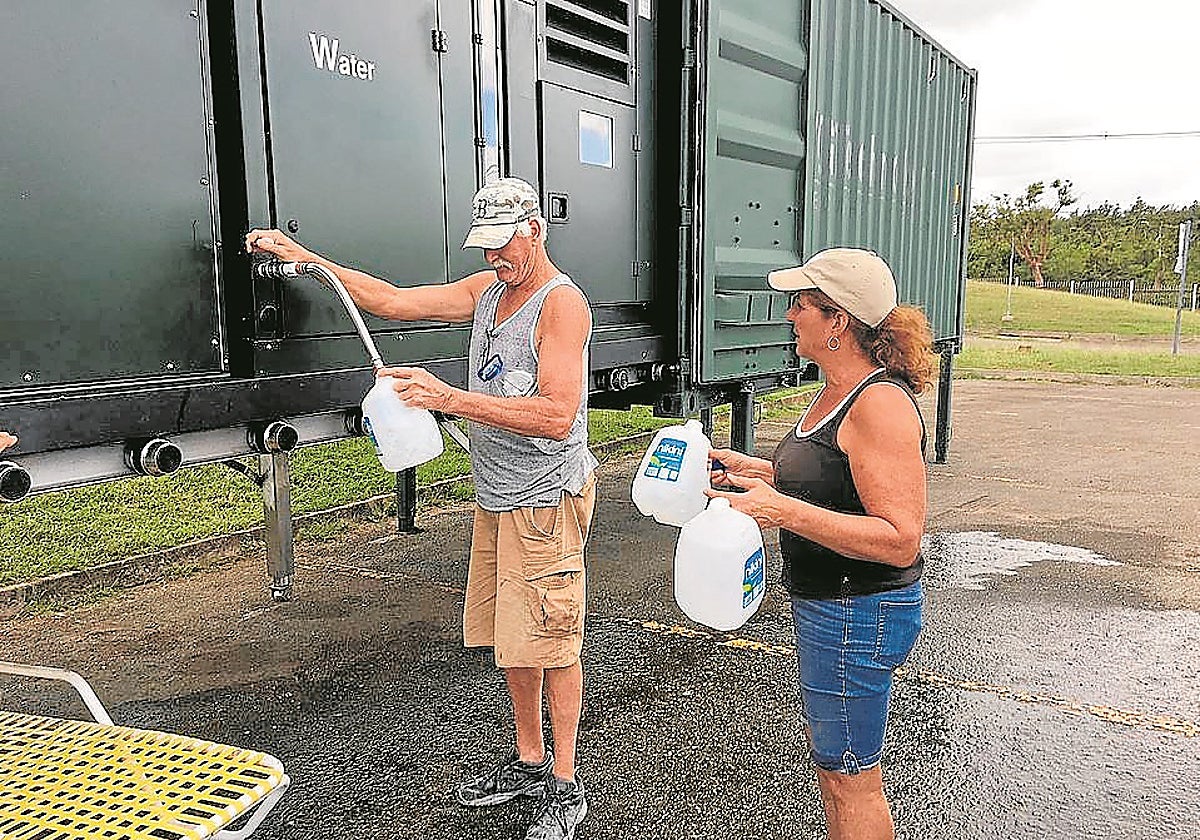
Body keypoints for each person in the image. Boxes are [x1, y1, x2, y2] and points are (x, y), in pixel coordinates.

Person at [246, 177, 597, 840]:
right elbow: (392, 300)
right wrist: (309, 259)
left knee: (551, 639)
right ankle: (529, 763)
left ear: (535, 230)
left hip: (547, 498)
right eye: (486, 245)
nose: (494, 257)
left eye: (504, 243)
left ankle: (565, 784)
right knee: (512, 639)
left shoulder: (561, 304)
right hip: (499, 493)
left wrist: (447, 399)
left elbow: (557, 416)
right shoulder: (488, 290)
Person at [706, 248, 934, 840]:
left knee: (850, 777)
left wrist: (781, 509)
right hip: (831, 606)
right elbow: (831, 481)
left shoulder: (878, 404)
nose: (789, 315)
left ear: (838, 321)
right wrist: (756, 473)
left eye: (800, 304)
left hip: (858, 610)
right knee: (837, 768)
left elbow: (900, 539)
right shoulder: (836, 390)